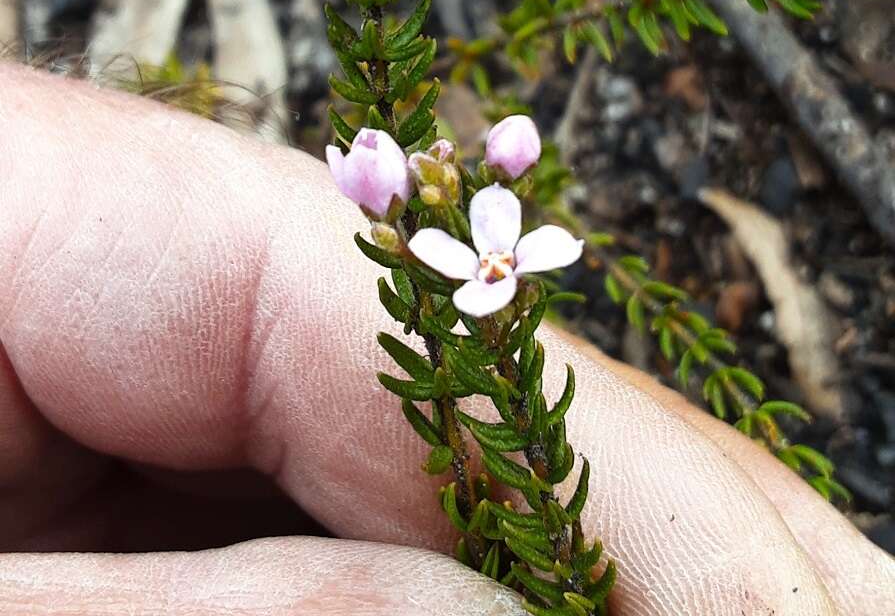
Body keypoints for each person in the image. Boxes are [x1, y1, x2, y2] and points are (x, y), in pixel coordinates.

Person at [0, 62, 891, 615]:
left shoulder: (481, 241)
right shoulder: (433, 245)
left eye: (499, 263)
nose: (497, 267)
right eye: (488, 264)